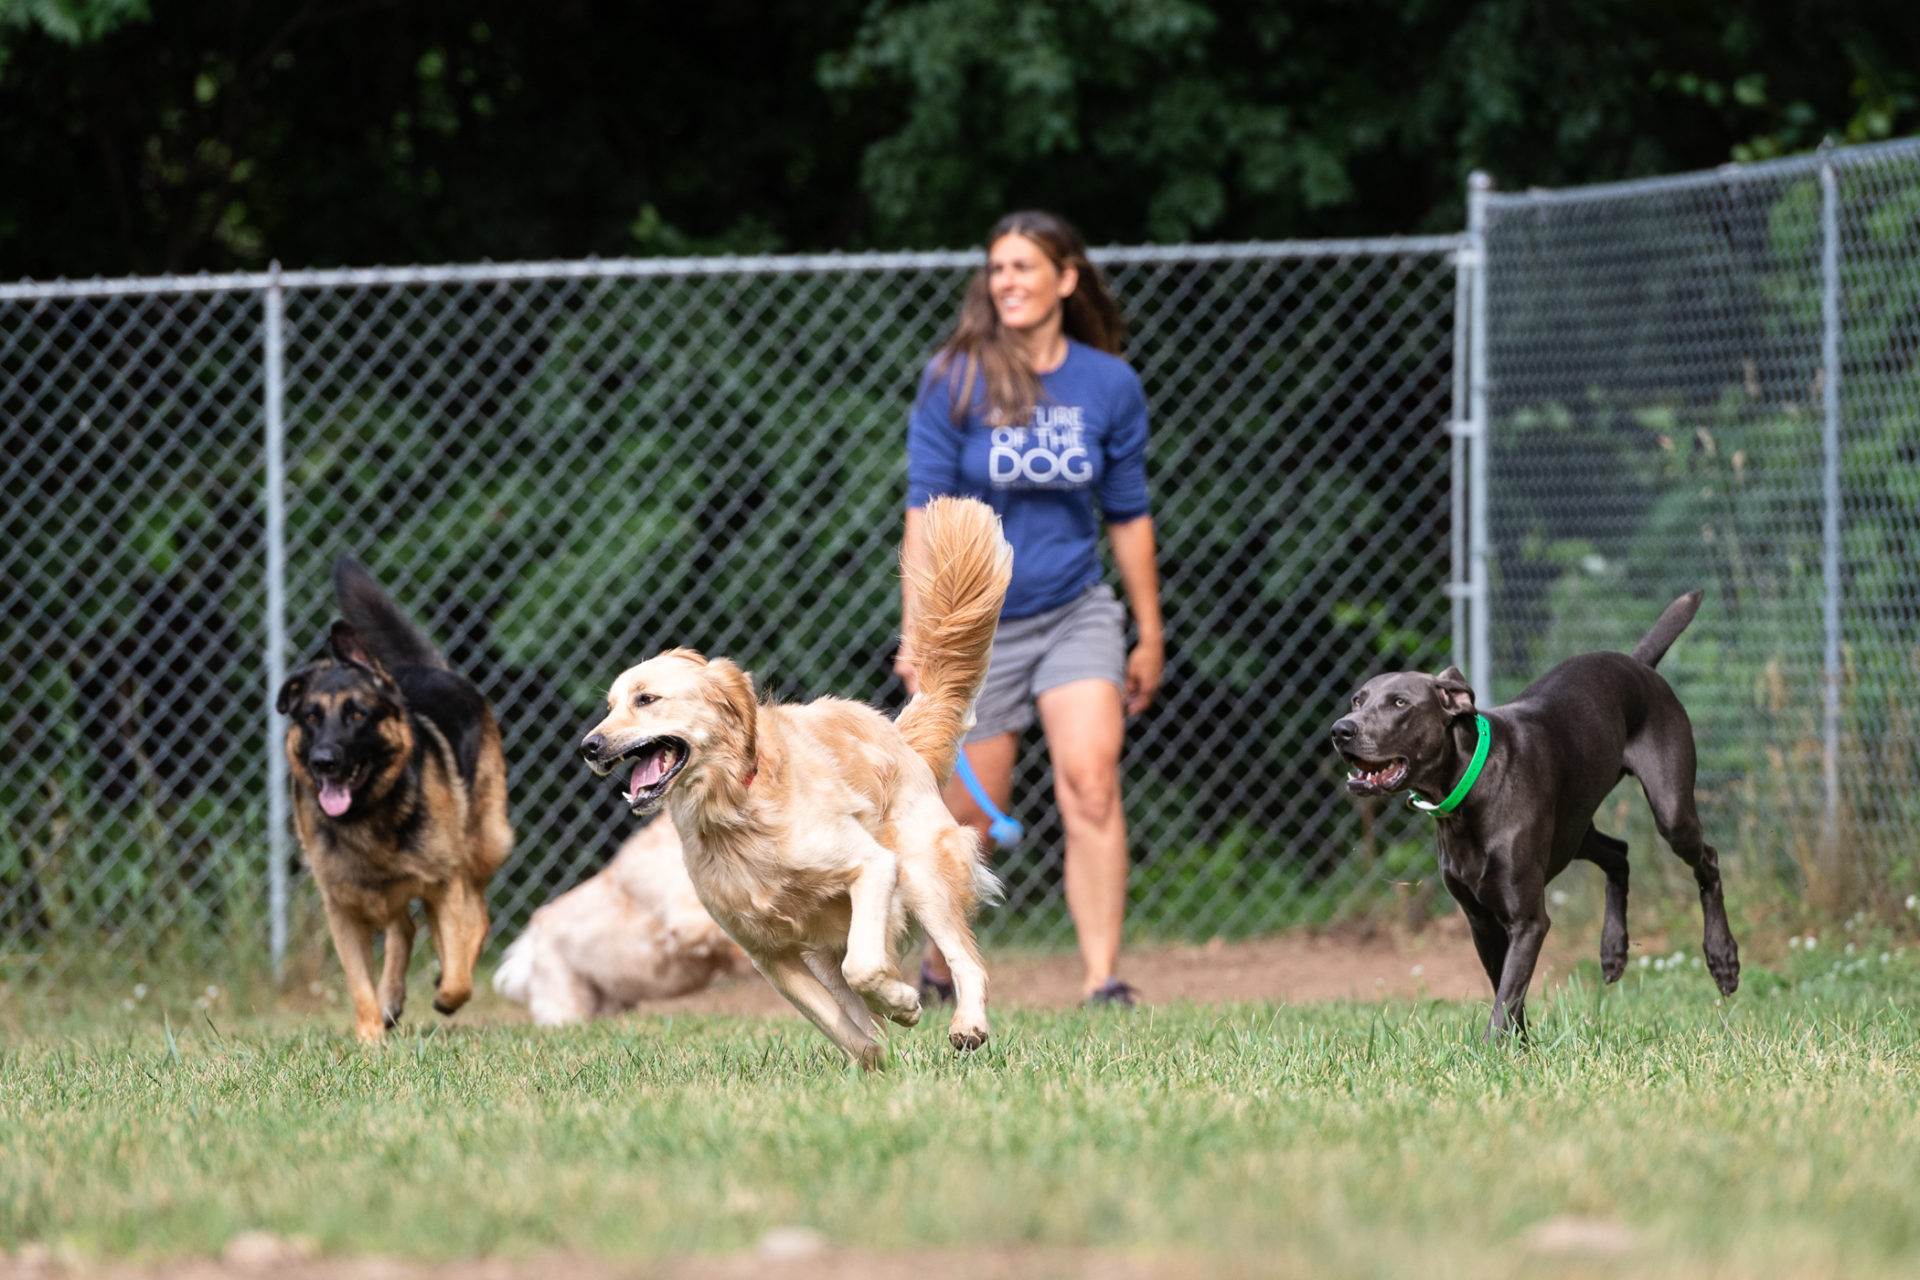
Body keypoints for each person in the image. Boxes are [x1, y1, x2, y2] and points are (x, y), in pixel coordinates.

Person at [897, 210, 1163, 1007]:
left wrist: (1147, 631)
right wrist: (919, 631)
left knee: (1090, 783)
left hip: (1076, 607)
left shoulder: (1108, 383)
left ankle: (1101, 979)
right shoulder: (956, 376)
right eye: (998, 268)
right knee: (973, 812)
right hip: (978, 625)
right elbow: (924, 508)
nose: (1007, 281)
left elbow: (1129, 511)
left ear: (1066, 278)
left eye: (1024, 266)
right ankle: (943, 965)